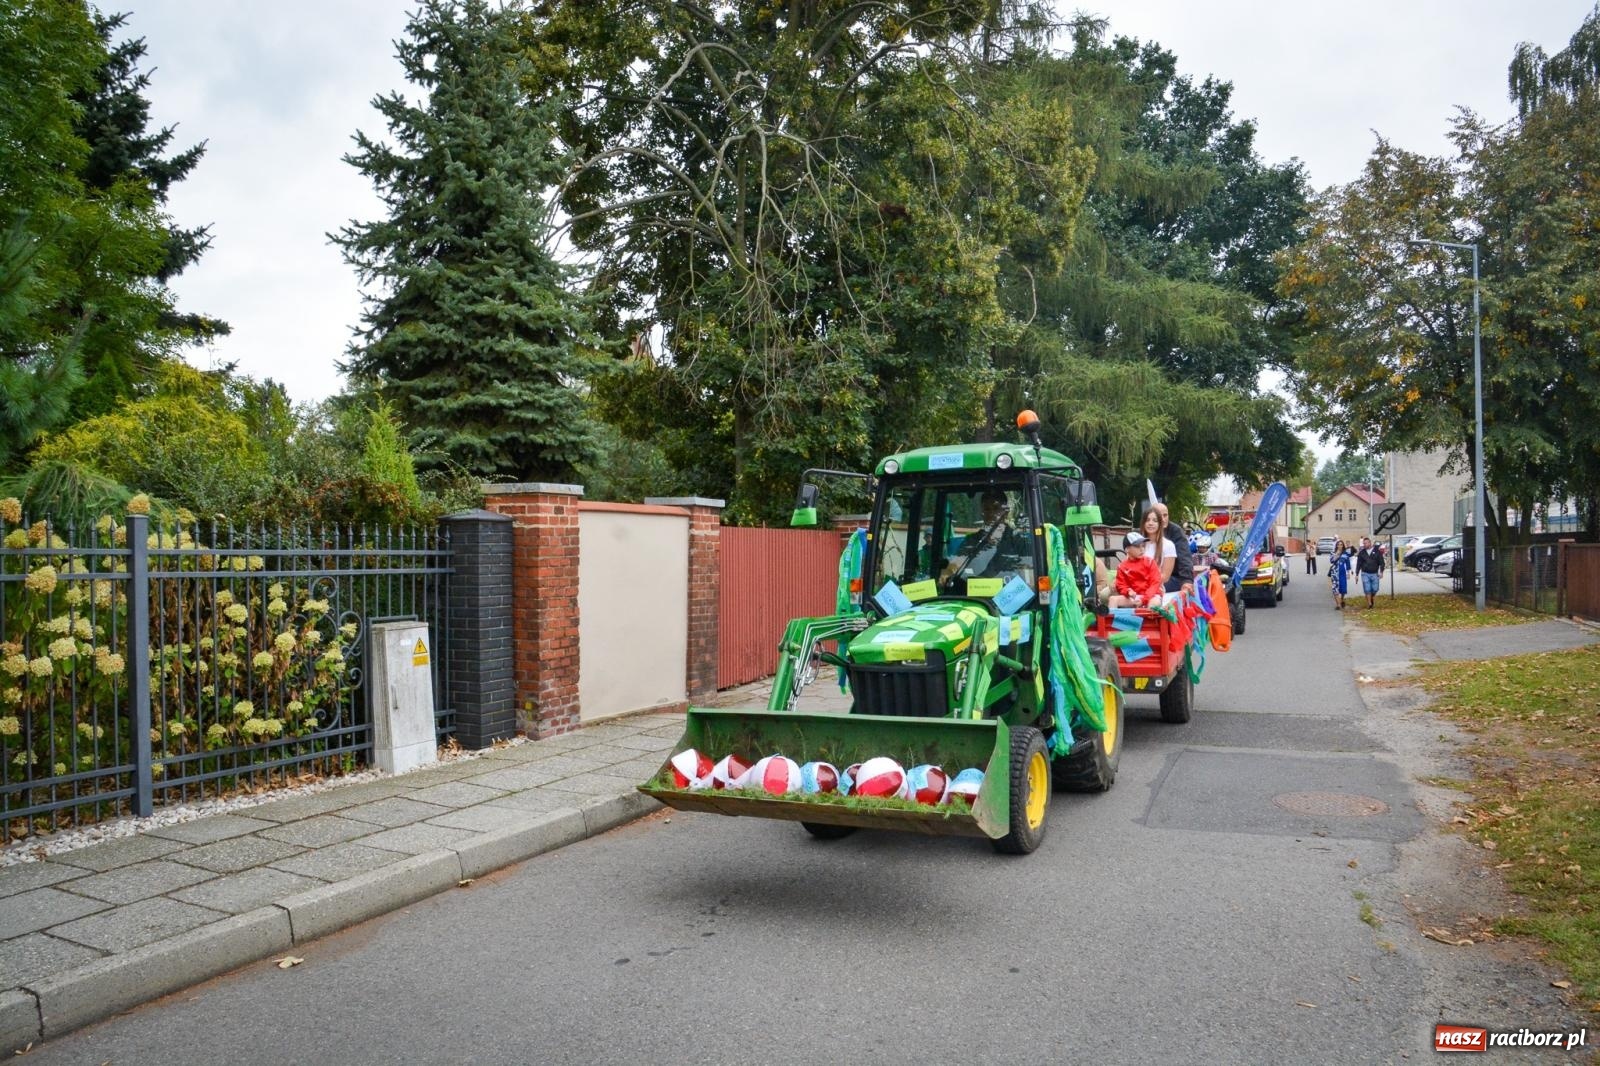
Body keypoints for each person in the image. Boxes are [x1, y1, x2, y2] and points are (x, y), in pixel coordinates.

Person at [940, 490, 1028, 586]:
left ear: (1005, 512)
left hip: (1009, 597)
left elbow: (1028, 577)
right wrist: (947, 572)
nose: (991, 513)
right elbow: (958, 560)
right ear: (982, 512)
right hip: (976, 597)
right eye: (987, 509)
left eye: (996, 508)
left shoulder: (1017, 540)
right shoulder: (972, 540)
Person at [1109, 531, 1164, 608]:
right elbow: (1121, 585)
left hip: (1152, 596)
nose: (1142, 549)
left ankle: (1148, 620)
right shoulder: (1122, 566)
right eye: (1137, 546)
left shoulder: (1150, 562)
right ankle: (1111, 620)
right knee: (1113, 599)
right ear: (1127, 549)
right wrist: (1128, 591)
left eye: (1143, 546)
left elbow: (1155, 584)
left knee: (1153, 604)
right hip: (1134, 597)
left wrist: (1144, 599)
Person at [1152, 502, 1194, 594]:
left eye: (1165, 515)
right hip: (1149, 578)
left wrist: (1186, 581)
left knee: (1151, 588)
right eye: (1159, 516)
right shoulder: (1144, 534)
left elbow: (1184, 558)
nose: (1163, 519)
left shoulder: (1175, 532)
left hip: (1172, 578)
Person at [1355, 535, 1385, 608]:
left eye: (1366, 543)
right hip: (1365, 573)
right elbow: (1358, 564)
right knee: (1367, 589)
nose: (1364, 545)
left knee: (1375, 589)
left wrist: (1381, 572)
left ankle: (1371, 597)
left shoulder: (1377, 551)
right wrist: (1356, 574)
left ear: (1370, 543)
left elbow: (1382, 562)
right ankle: (1369, 604)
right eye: (1363, 543)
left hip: (1375, 574)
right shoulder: (1362, 553)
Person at [1328, 539, 1351, 610]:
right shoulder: (1333, 553)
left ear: (1343, 546)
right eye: (1338, 544)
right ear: (1336, 546)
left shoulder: (1345, 554)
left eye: (1341, 544)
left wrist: (1348, 573)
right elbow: (1331, 561)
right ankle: (1338, 605)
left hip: (1342, 573)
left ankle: (1342, 599)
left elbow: (1348, 564)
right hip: (1334, 573)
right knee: (1335, 589)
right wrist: (1337, 554)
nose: (1339, 546)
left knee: (1343, 589)